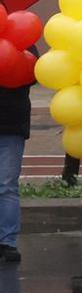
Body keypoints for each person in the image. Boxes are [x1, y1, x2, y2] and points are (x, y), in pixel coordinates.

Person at [0, 41, 26, 266]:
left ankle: (8, 242)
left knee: (7, 185)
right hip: (13, 123)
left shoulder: (21, 39)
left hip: (10, 124)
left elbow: (33, 73)